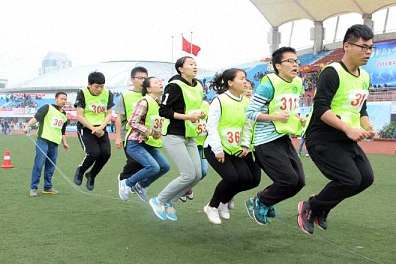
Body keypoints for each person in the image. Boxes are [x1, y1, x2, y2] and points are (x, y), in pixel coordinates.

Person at [298, 24, 375, 235]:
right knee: (350, 179)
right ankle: (310, 207)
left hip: (345, 138)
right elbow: (321, 108)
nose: (368, 52)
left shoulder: (365, 76)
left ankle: (320, 207)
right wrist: (348, 128)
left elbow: (362, 107)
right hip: (322, 137)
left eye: (370, 47)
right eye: (363, 47)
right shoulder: (332, 72)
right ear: (346, 46)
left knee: (366, 179)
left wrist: (367, 126)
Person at [243, 47, 306, 225]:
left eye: (296, 61)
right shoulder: (268, 84)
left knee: (299, 181)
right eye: (290, 61)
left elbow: (294, 106)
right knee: (288, 180)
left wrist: (298, 117)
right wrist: (274, 117)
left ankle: (266, 201)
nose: (295, 65)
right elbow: (250, 113)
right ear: (278, 65)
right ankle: (260, 201)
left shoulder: (297, 83)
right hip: (265, 141)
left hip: (283, 137)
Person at [149, 56, 205, 221]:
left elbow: (198, 106)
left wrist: (199, 114)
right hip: (173, 135)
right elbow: (163, 111)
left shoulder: (199, 85)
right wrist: (188, 116)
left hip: (190, 135)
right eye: (191, 64)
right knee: (188, 174)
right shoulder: (174, 86)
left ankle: (169, 202)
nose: (195, 67)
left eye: (196, 64)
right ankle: (158, 200)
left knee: (198, 174)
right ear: (180, 68)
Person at [203, 68, 261, 224]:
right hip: (216, 148)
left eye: (245, 78)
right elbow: (211, 126)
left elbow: (248, 126)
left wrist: (246, 145)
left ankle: (224, 200)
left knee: (250, 179)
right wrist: (217, 149)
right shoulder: (219, 100)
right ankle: (212, 206)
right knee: (232, 177)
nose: (245, 81)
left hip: (237, 148)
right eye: (241, 78)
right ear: (230, 82)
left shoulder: (247, 101)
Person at [118, 77, 170, 202]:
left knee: (165, 166)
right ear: (148, 88)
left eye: (161, 82)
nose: (160, 84)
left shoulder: (160, 103)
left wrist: (157, 133)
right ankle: (127, 183)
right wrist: (150, 131)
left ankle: (140, 185)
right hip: (135, 143)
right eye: (156, 82)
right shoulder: (144, 101)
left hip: (149, 143)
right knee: (153, 167)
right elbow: (132, 122)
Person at [73, 72, 114, 191]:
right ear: (89, 85)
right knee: (93, 153)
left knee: (106, 154)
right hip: (86, 128)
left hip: (101, 128)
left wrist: (101, 127)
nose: (100, 89)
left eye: (102, 86)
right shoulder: (82, 93)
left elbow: (109, 113)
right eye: (97, 86)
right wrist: (93, 129)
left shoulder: (108, 93)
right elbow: (79, 116)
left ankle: (92, 175)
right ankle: (80, 171)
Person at [26, 92, 69, 197]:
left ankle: (47, 187)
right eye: (62, 99)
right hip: (43, 140)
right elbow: (36, 117)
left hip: (54, 143)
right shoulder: (47, 107)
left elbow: (62, 131)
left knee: (51, 166)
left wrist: (65, 142)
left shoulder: (64, 115)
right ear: (56, 99)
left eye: (65, 99)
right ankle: (33, 188)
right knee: (39, 164)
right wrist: (27, 125)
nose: (64, 101)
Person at [114, 67, 148, 186]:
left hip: (147, 135)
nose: (143, 80)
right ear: (132, 79)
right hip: (129, 135)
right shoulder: (126, 96)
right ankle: (124, 178)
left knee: (147, 163)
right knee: (134, 160)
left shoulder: (151, 95)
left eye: (145, 78)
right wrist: (118, 137)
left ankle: (134, 183)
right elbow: (119, 118)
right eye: (140, 78)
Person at [179, 96, 210, 202]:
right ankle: (181, 189)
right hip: (191, 143)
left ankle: (186, 188)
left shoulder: (206, 104)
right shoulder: (184, 104)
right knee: (192, 172)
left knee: (204, 171)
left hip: (204, 143)